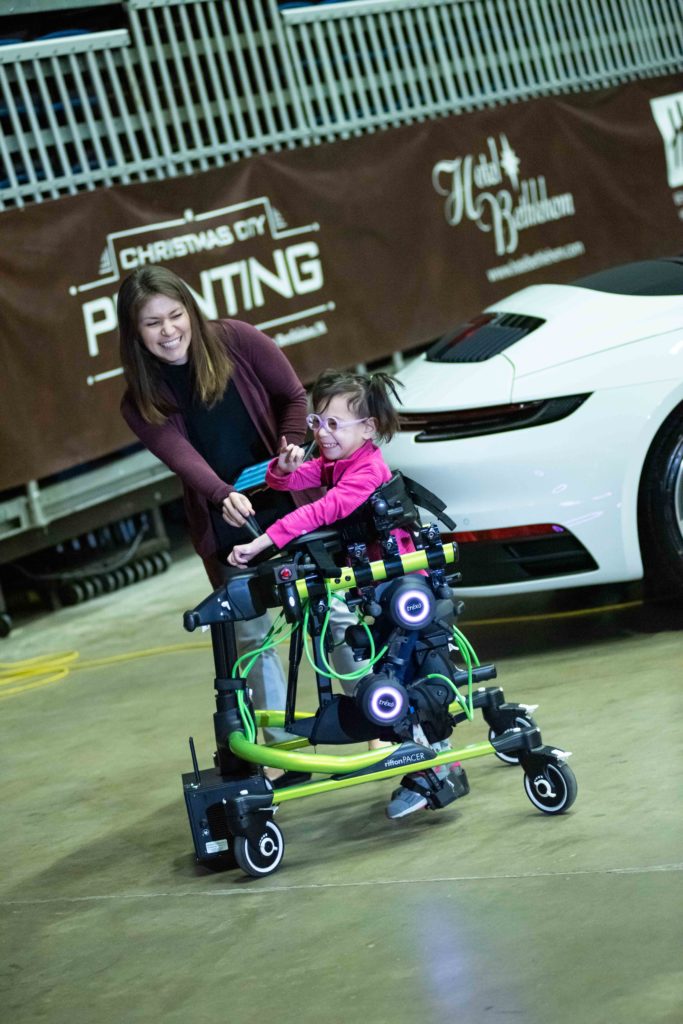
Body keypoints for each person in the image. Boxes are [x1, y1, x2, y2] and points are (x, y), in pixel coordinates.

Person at [228, 369, 467, 819]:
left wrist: (265, 541)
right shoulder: (336, 463)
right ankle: (421, 754)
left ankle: (438, 766)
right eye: (318, 422)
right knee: (388, 670)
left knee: (409, 671)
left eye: (335, 424)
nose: (323, 433)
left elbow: (325, 508)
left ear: (368, 429)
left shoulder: (367, 469)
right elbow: (289, 484)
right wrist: (283, 467)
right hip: (373, 586)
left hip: (402, 581)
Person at [117, 265, 328, 767]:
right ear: (134, 333)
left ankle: (374, 723)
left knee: (332, 611)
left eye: (176, 315)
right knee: (252, 634)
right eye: (153, 323)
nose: (169, 331)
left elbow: (293, 396)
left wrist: (291, 444)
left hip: (290, 499)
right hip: (227, 517)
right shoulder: (139, 400)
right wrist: (221, 493)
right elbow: (179, 455)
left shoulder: (237, 339)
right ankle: (284, 751)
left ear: (191, 310)